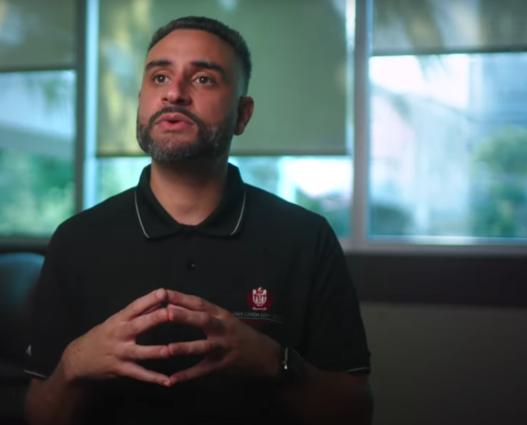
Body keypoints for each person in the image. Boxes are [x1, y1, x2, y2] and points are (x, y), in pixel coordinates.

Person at [23, 16, 373, 425]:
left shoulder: (306, 239)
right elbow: (38, 415)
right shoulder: (76, 241)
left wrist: (273, 362)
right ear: (141, 100)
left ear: (242, 115)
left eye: (203, 79)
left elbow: (355, 411)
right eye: (159, 77)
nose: (174, 93)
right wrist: (73, 365)